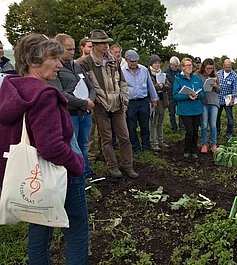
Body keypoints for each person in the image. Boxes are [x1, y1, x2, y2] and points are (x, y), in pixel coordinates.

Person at [0, 33, 88, 264]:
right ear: (35, 60)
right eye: (54, 58)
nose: (60, 64)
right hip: (56, 176)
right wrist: (78, 164)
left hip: (28, 178)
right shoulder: (44, 95)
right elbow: (52, 147)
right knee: (77, 234)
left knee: (38, 233)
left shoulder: (10, 89)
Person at [79, 30, 138, 179]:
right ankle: (113, 167)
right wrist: (94, 99)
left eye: (107, 42)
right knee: (106, 139)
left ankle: (128, 165)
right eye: (103, 43)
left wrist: (124, 99)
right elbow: (83, 84)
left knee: (125, 137)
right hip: (100, 106)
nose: (106, 45)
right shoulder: (84, 63)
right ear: (94, 44)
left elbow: (122, 82)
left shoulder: (114, 60)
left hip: (117, 104)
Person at [49, 34, 98, 181]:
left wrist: (91, 101)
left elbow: (91, 87)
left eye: (73, 49)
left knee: (84, 145)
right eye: (68, 49)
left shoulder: (77, 66)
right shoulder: (56, 68)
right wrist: (83, 103)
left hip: (85, 113)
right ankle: (76, 176)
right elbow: (60, 93)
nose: (71, 52)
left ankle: (86, 172)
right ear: (59, 48)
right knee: (72, 146)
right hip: (70, 114)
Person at [122, 49, 158, 155]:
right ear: (127, 60)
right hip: (130, 102)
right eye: (131, 61)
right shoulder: (122, 71)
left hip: (143, 101)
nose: (134, 63)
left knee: (145, 125)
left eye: (135, 61)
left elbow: (150, 84)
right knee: (131, 126)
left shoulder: (143, 69)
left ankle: (146, 146)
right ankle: (135, 147)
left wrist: (154, 98)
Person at [173, 57, 204, 158]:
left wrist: (197, 95)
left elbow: (203, 93)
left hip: (196, 109)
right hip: (185, 110)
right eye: (187, 65)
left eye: (190, 65)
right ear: (182, 67)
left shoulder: (197, 79)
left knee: (195, 131)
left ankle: (193, 150)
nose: (189, 67)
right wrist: (187, 96)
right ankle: (187, 150)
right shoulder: (178, 79)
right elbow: (175, 95)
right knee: (189, 131)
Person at [196, 58, 220, 153]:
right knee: (204, 124)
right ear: (204, 67)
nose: (209, 70)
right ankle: (204, 144)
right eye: (207, 68)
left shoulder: (215, 76)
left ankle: (213, 144)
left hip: (213, 102)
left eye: (211, 68)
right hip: (203, 102)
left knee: (213, 124)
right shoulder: (198, 76)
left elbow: (219, 90)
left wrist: (215, 86)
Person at [148, 54, 170, 151]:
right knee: (153, 122)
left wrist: (164, 86)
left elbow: (168, 86)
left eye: (158, 63)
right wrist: (157, 86)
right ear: (151, 64)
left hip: (162, 100)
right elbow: (148, 87)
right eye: (155, 63)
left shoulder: (162, 74)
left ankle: (160, 140)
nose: (157, 65)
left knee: (160, 122)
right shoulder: (148, 74)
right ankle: (153, 142)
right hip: (153, 101)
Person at [216, 59, 237, 140]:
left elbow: (235, 89)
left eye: (229, 67)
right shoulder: (218, 73)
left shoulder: (234, 76)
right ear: (223, 66)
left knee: (230, 118)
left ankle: (229, 133)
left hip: (228, 99)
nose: (228, 68)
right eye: (226, 67)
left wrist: (232, 100)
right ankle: (217, 131)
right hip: (218, 98)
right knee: (216, 116)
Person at [164, 56, 185, 133]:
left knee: (181, 112)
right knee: (171, 113)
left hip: (179, 95)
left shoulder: (180, 72)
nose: (176, 67)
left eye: (177, 66)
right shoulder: (165, 73)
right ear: (170, 64)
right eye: (175, 66)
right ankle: (174, 128)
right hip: (170, 96)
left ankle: (182, 127)